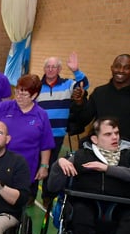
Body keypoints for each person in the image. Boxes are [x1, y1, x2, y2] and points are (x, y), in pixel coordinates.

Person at [0, 74, 54, 201]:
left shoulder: (41, 115)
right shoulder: (6, 106)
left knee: (18, 200)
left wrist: (44, 166)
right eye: (17, 92)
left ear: (34, 95)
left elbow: (45, 144)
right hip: (1, 164)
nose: (18, 97)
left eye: (24, 94)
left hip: (25, 166)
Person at [69, 54, 130, 152]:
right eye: (118, 66)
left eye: (126, 68)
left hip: (126, 152)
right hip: (98, 150)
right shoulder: (100, 92)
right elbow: (84, 119)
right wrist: (79, 103)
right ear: (112, 68)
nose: (121, 71)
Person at [34, 54, 89, 203]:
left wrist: (76, 71)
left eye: (54, 67)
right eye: (48, 67)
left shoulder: (68, 84)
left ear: (59, 69)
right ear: (44, 68)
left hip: (56, 134)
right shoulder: (37, 86)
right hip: (37, 134)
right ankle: (30, 196)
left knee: (51, 165)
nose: (51, 69)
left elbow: (84, 85)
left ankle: (47, 196)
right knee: (34, 163)